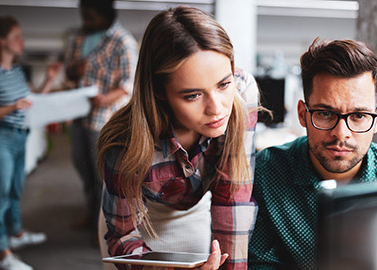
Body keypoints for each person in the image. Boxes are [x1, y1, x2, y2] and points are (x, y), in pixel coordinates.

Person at [97, 6, 258, 270]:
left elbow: (233, 196)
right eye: (193, 95)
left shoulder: (243, 92)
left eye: (223, 84)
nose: (216, 109)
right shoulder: (125, 144)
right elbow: (122, 234)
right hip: (139, 220)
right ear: (160, 91)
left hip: (196, 210)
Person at [248, 38, 377, 270]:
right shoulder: (265, 173)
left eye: (358, 116)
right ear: (303, 114)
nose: (341, 134)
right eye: (325, 113)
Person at [63, 0, 138, 233]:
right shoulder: (79, 37)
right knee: (81, 166)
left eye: (90, 17)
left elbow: (128, 82)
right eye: (83, 16)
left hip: (104, 118)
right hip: (79, 115)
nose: (85, 21)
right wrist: (76, 70)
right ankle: (90, 212)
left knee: (102, 175)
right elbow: (68, 70)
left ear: (106, 15)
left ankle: (105, 227)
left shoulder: (122, 41)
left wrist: (105, 98)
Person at [0, 16, 61, 270]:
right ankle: (4, 255)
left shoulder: (16, 71)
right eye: (16, 37)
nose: (21, 41)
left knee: (15, 191)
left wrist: (48, 80)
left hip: (21, 136)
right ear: (1, 40)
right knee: (0, 197)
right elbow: (16, 106)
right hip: (2, 138)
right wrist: (12, 107)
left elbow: (32, 101)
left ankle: (16, 234)